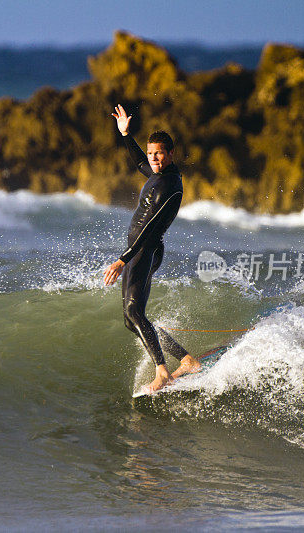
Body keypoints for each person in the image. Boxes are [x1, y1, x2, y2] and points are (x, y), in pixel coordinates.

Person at [103, 104, 202, 392]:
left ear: (170, 154)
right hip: (139, 250)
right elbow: (138, 163)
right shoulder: (160, 174)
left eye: (159, 153)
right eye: (151, 153)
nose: (153, 158)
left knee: (134, 313)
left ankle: (163, 372)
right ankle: (186, 360)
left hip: (144, 250)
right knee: (132, 318)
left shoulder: (169, 185)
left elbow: (148, 229)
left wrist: (122, 260)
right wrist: (125, 135)